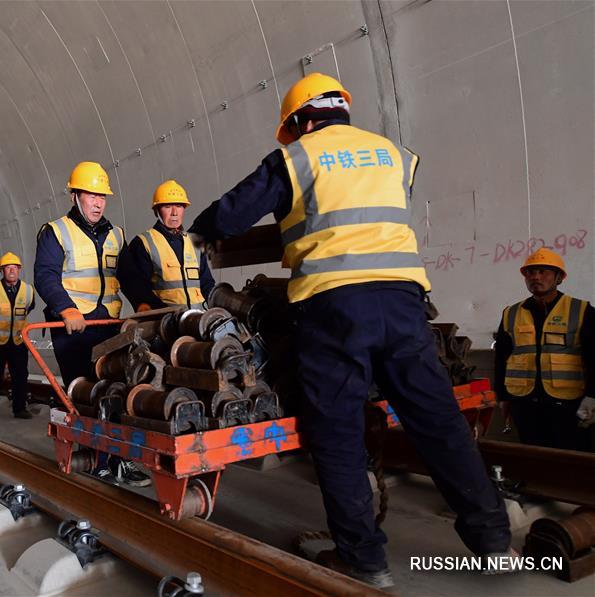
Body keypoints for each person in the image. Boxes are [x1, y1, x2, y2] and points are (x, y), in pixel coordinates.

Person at [188, 73, 510, 587]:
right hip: (404, 303)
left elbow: (228, 216)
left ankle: (364, 560)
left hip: (333, 306)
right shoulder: (394, 154)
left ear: (301, 121)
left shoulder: (297, 158)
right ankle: (493, 539)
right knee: (438, 421)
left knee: (336, 433)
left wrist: (200, 237)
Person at [34, 161, 150, 488]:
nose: (98, 202)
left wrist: (141, 302)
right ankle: (96, 458)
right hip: (75, 329)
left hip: (109, 326)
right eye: (91, 195)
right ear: (75, 196)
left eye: (103, 196)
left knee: (118, 390)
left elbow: (127, 276)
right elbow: (45, 275)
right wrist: (65, 309)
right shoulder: (56, 232)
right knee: (86, 393)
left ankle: (119, 460)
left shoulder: (116, 234)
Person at [494, 248, 594, 452]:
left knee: (572, 457)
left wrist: (593, 396)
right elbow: (502, 358)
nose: (535, 277)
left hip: (568, 404)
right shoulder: (511, 313)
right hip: (524, 402)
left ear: (559, 278)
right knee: (534, 456)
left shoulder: (581, 310)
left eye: (543, 271)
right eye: (530, 273)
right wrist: (503, 397)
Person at [119, 180, 214, 311]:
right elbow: (139, 289)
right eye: (168, 207)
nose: (174, 213)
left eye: (179, 206)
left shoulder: (194, 241)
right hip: (165, 322)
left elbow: (207, 283)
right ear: (157, 210)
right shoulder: (143, 243)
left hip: (199, 319)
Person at [0, 252, 35, 418]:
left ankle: (19, 409)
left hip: (18, 341)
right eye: (7, 268)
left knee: (20, 375)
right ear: (1, 271)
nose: (11, 271)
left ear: (19, 270)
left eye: (15, 268)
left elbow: (30, 308)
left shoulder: (28, 290)